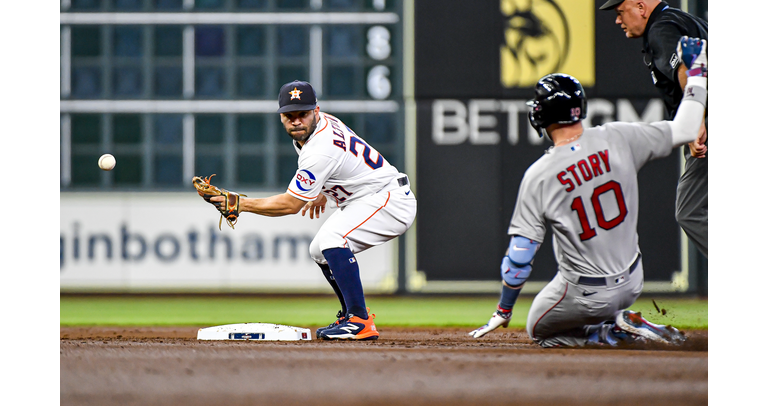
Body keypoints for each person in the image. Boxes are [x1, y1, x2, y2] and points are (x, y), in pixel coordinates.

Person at [469, 37, 707, 347]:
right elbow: (687, 129)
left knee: (539, 330)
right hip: (633, 280)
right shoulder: (619, 136)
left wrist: (503, 309)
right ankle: (619, 321)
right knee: (589, 293)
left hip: (586, 293)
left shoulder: (539, 175)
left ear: (540, 114)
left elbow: (520, 257)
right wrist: (698, 71)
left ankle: (609, 332)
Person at [200, 80, 417, 340]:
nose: (296, 121)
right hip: (367, 197)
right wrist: (322, 190)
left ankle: (359, 320)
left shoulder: (320, 149)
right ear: (280, 116)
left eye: (302, 113)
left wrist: (241, 204)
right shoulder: (316, 129)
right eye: (289, 115)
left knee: (331, 240)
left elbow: (291, 204)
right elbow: (344, 161)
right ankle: (353, 316)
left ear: (316, 110)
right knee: (319, 251)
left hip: (388, 200)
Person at [599, 0, 708, 258]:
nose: (617, 19)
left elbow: (688, 63)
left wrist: (697, 118)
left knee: (691, 211)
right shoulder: (684, 19)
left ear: (641, 7)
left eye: (620, 11)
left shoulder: (660, 29)